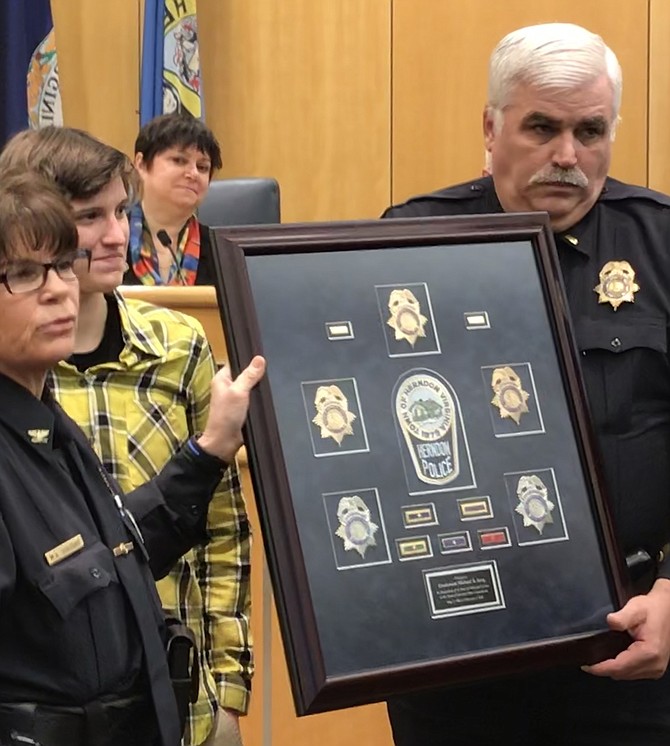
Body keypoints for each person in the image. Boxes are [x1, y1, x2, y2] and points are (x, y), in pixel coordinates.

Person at [383, 22, 670, 746]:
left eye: (589, 131)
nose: (566, 155)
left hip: (633, 643)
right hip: (458, 650)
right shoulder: (408, 243)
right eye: (541, 127)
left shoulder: (661, 246)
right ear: (491, 126)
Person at [0, 126, 252, 746]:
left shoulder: (46, 418)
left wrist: (210, 451)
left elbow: (121, 551)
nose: (58, 287)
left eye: (59, 265)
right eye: (28, 273)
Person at [122, 113, 222, 286]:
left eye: (203, 167)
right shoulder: (112, 240)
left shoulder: (222, 252)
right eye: (179, 160)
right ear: (141, 164)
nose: (193, 174)